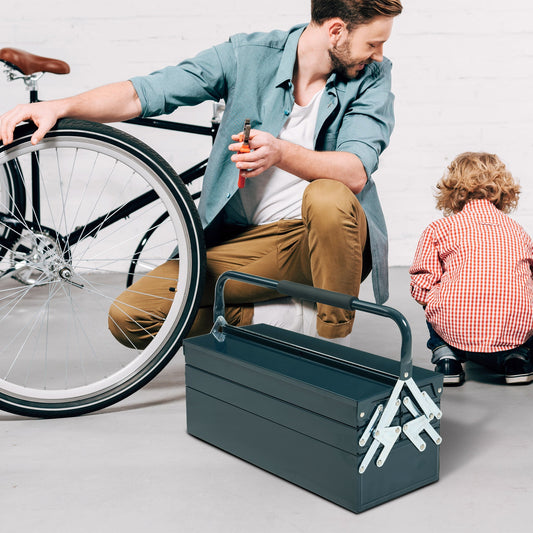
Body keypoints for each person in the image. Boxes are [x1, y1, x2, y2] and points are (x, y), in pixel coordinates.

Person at [0, 0, 403, 348]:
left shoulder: (372, 78)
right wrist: (61, 107)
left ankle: (334, 347)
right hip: (248, 245)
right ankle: (286, 320)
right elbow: (146, 91)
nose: (379, 54)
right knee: (131, 316)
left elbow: (354, 171)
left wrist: (279, 152)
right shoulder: (247, 55)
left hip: (321, 241)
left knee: (328, 195)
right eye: (373, 42)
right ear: (336, 31)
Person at [410, 152, 533, 386]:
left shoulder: (439, 229)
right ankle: (517, 359)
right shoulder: (519, 231)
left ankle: (447, 356)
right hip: (517, 326)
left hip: (453, 323)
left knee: (433, 293)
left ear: (451, 189)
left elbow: (421, 287)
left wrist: (437, 301)